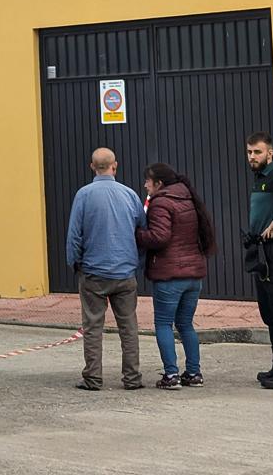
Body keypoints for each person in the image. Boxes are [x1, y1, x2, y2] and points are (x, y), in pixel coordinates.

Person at [66, 147, 147, 391]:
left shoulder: (84, 195)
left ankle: (93, 378)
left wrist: (75, 263)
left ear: (92, 166)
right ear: (115, 166)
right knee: (129, 328)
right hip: (124, 272)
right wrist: (136, 262)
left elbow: (74, 235)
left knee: (92, 328)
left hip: (93, 272)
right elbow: (142, 231)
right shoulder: (130, 195)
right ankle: (132, 378)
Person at [135, 163, 216, 389]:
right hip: (193, 276)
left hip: (170, 276)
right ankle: (194, 373)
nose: (145, 185)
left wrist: (138, 235)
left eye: (147, 181)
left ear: (159, 183)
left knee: (163, 323)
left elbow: (159, 237)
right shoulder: (187, 197)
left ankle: (171, 375)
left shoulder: (161, 202)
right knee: (186, 325)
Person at [244, 132, 273, 389]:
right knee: (269, 312)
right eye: (249, 152)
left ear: (269, 153)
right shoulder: (260, 179)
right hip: (262, 252)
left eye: (257, 152)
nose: (252, 156)